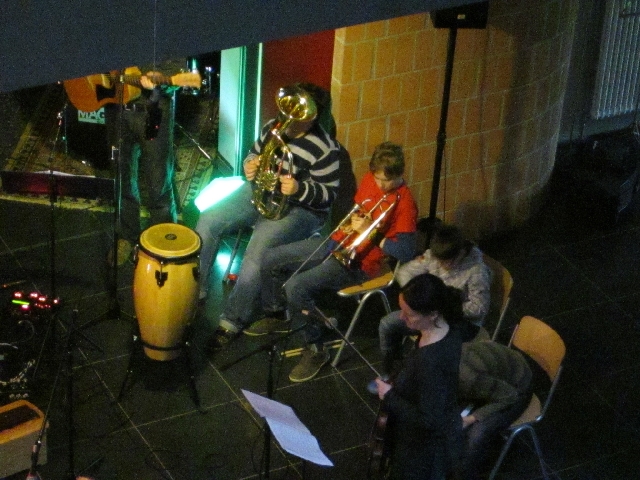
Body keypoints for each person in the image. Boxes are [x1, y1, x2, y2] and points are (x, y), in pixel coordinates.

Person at [246, 141, 418, 382]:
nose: (380, 185)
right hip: (339, 244)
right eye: (377, 178)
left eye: (386, 181)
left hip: (362, 264)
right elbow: (358, 211)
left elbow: (406, 252)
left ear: (399, 174)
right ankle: (278, 315)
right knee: (271, 258)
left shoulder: (405, 203)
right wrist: (349, 229)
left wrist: (371, 233)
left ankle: (316, 348)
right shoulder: (370, 179)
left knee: (296, 286)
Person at [195, 83, 341, 341]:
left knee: (256, 253)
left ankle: (232, 319)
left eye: (298, 113)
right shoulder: (274, 127)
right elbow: (255, 153)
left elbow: (328, 196)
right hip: (260, 192)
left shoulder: (325, 148)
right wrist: (249, 164)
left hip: (299, 209)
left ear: (312, 116)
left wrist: (298, 188)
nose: (288, 117)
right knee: (208, 220)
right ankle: (196, 290)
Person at [374, 273, 464, 480]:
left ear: (432, 314)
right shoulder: (442, 329)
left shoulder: (432, 361)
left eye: (409, 314)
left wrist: (389, 396)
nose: (401, 317)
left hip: (423, 451)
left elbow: (428, 421)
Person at [376, 223, 491, 380]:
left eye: (447, 262)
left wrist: (445, 307)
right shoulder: (435, 255)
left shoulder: (477, 271)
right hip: (431, 313)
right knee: (387, 324)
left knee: (426, 348)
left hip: (460, 321)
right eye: (439, 261)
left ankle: (413, 377)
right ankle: (390, 372)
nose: (442, 265)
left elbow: (479, 308)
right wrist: (421, 296)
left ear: (461, 253)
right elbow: (404, 273)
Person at [104, 61, 183, 266]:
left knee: (158, 181)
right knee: (122, 177)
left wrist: (160, 81)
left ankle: (164, 240)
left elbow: (177, 72)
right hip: (117, 108)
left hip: (153, 109)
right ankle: (127, 236)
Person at [456, 340, 533, 480]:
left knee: (477, 434)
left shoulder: (468, 378)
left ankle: (463, 475)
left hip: (516, 389)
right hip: (491, 381)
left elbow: (509, 396)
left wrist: (472, 418)